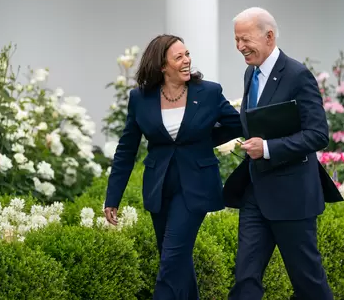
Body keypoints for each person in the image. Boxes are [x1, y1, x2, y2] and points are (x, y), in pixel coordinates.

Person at [103, 34, 241, 300]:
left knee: (171, 259)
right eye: (179, 57)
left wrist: (203, 141)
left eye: (187, 54)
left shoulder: (209, 92)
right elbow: (126, 149)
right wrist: (113, 198)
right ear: (161, 66)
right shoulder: (140, 98)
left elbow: (237, 124)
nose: (187, 60)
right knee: (176, 259)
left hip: (196, 187)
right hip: (160, 187)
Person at [227, 7, 334, 300]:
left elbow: (318, 134)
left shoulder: (298, 75)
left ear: (269, 36)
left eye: (245, 39)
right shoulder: (250, 73)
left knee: (308, 284)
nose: (239, 47)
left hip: (293, 197)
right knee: (245, 280)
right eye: (236, 40)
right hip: (255, 195)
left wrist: (269, 148)